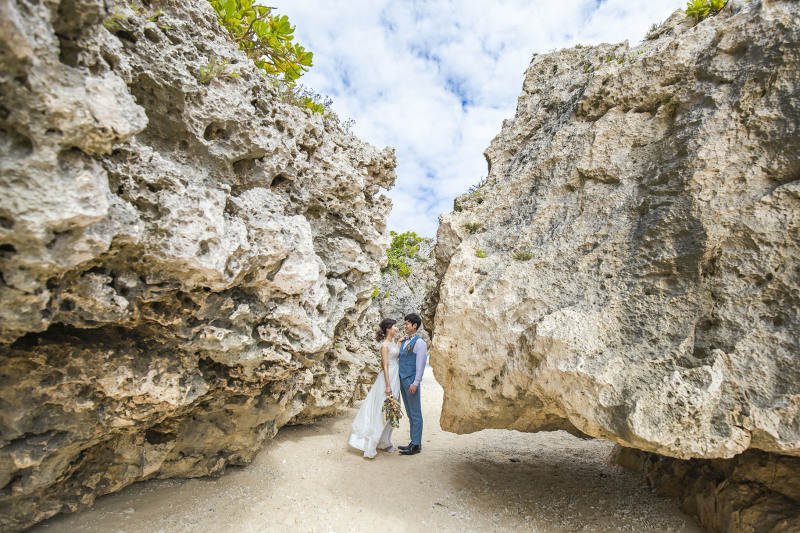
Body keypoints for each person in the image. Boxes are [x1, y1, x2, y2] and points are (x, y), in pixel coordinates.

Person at [347, 318, 401, 458]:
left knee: (391, 409)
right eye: (395, 326)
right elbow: (385, 365)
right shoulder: (384, 345)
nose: (397, 328)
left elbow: (396, 356)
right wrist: (388, 385)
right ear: (388, 329)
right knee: (381, 409)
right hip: (387, 379)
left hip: (395, 377)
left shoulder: (394, 342)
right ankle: (371, 444)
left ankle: (384, 441)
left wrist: (400, 342)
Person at [397, 313, 428, 456]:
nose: (405, 326)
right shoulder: (405, 341)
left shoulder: (420, 343)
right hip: (403, 379)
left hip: (411, 381)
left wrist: (415, 383)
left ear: (414, 325)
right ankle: (413, 441)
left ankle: (416, 444)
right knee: (409, 413)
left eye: (407, 324)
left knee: (415, 413)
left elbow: (420, 366)